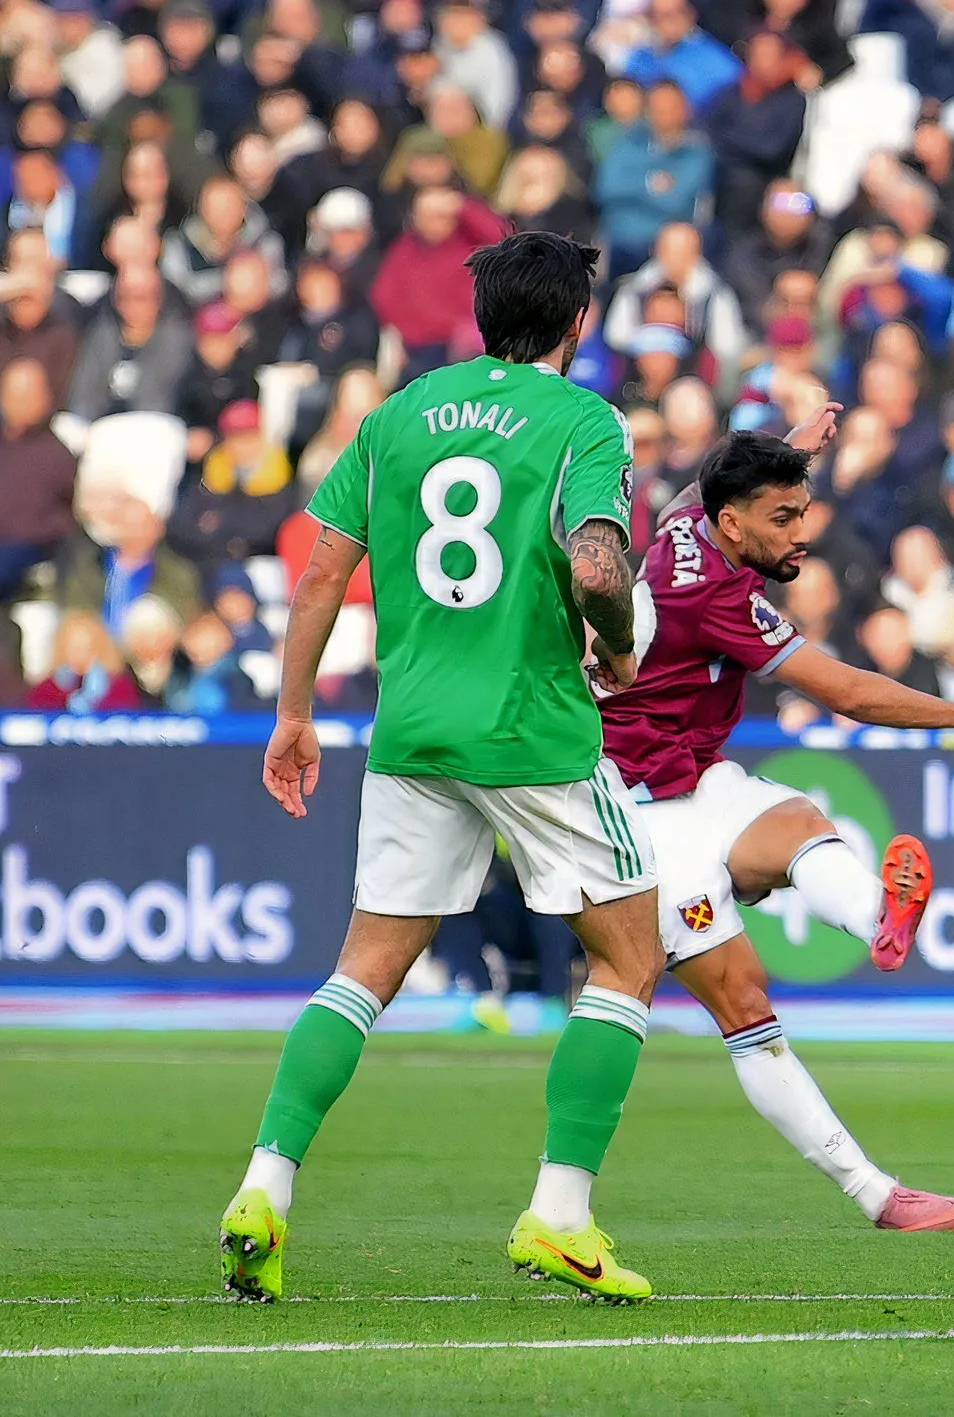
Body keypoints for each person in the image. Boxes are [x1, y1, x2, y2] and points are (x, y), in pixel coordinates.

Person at [223, 232, 673, 1305]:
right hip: (533, 731)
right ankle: (561, 1215)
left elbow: (325, 572)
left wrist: (293, 713)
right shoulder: (583, 418)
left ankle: (263, 1189)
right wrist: (617, 644)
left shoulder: (397, 415)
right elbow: (601, 558)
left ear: (482, 320)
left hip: (412, 729)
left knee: (365, 968)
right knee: (630, 960)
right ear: (578, 324)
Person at [596, 425, 954, 1232]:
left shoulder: (690, 528)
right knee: (743, 1002)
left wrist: (789, 448)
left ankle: (881, 919)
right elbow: (848, 691)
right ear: (735, 524)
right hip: (636, 816)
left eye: (803, 512)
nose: (800, 533)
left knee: (799, 820)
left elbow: (698, 491)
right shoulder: (713, 596)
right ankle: (877, 1194)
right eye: (782, 517)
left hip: (692, 778)